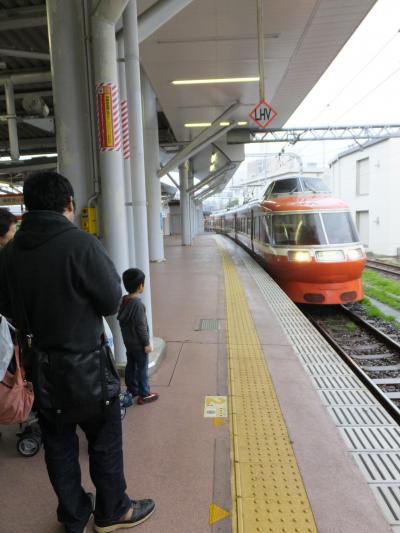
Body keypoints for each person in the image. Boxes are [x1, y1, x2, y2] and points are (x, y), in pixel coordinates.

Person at [0, 172, 155, 533]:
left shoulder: (9, 254)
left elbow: (6, 305)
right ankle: (113, 510)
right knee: (103, 438)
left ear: (27, 206)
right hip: (87, 366)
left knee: (58, 443)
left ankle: (73, 515)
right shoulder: (81, 244)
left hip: (42, 365)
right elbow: (108, 302)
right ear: (68, 203)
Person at [118, 268, 159, 405]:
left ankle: (132, 389)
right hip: (139, 344)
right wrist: (146, 344)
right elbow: (141, 327)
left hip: (128, 342)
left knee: (131, 365)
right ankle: (144, 393)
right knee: (142, 368)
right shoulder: (138, 306)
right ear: (140, 286)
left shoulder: (124, 301)